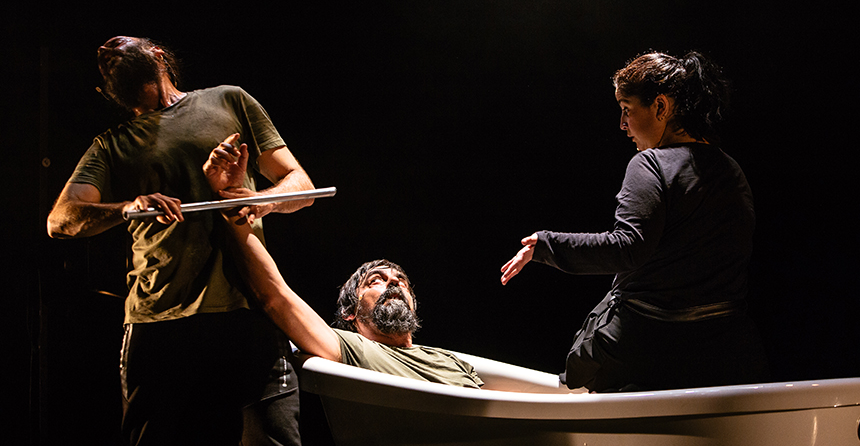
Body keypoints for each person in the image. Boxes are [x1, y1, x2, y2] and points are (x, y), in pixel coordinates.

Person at [46, 36, 314, 445]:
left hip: (244, 311)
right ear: (106, 91)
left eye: (121, 44)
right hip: (159, 323)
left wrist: (260, 201)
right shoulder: (113, 144)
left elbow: (301, 186)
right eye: (102, 61)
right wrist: (127, 207)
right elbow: (60, 220)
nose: (105, 51)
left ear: (157, 54)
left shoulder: (229, 100)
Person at [500, 51, 769, 393]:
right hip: (728, 357)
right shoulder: (731, 170)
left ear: (660, 107)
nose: (622, 124)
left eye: (627, 109)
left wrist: (546, 245)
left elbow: (627, 248)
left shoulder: (651, 164)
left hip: (648, 355)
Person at [203, 137, 483, 388]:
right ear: (350, 312)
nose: (393, 282)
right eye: (376, 280)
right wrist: (231, 205)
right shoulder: (351, 348)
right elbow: (275, 296)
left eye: (401, 281)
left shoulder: (453, 362)